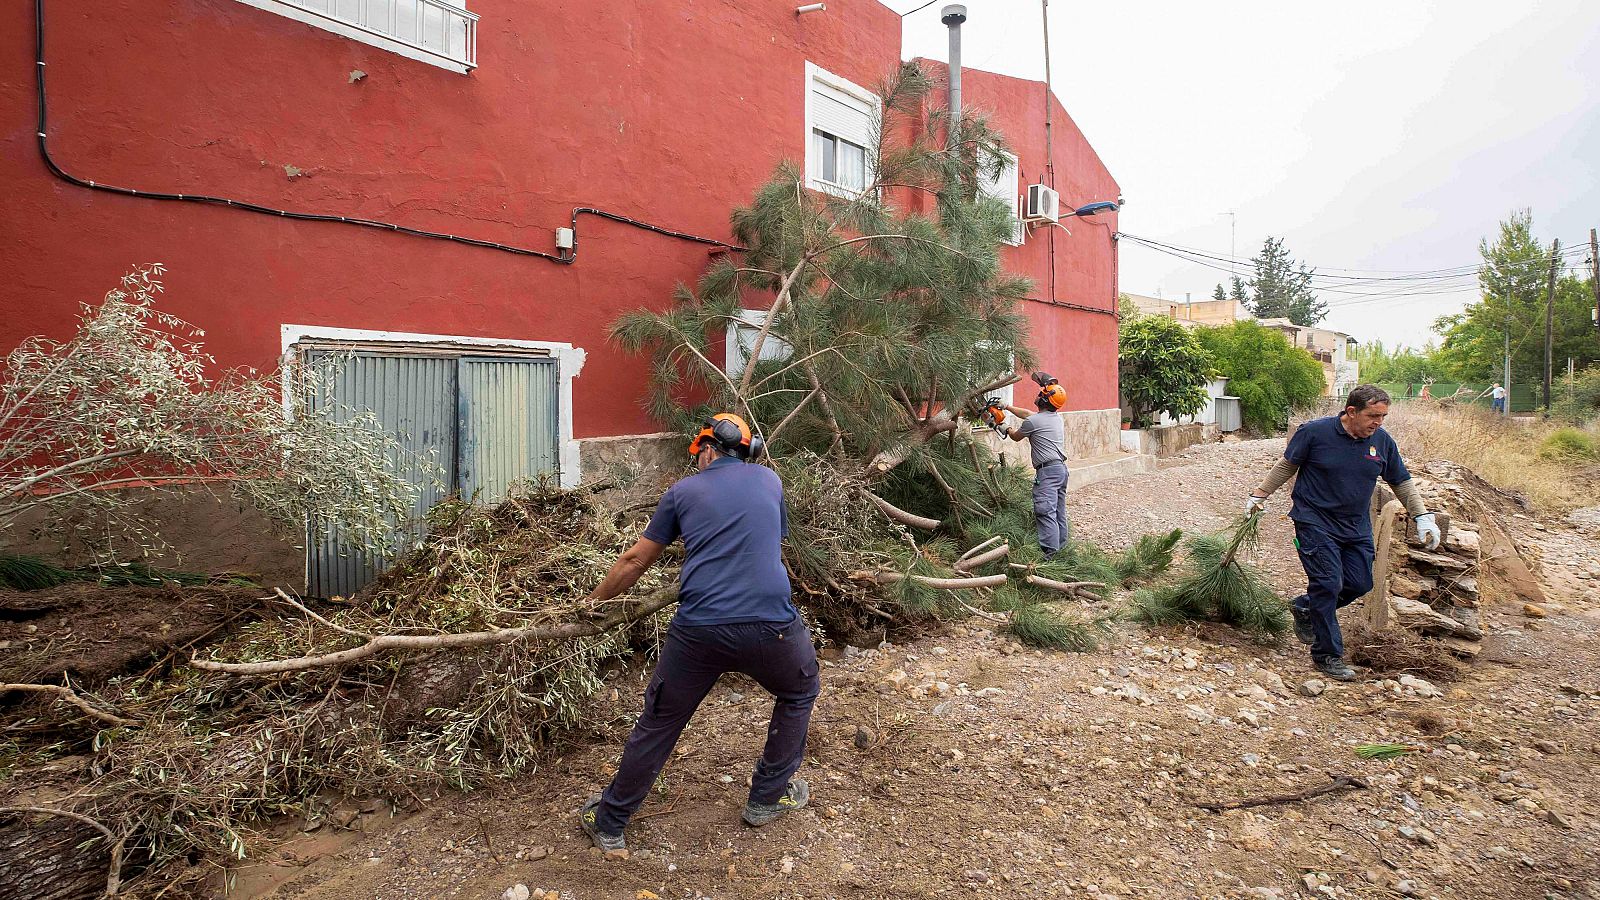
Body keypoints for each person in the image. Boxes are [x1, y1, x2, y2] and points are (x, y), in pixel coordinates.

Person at [578, 413, 818, 853]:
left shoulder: (681, 491)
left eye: (699, 454)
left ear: (707, 448)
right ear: (749, 451)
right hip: (773, 625)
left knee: (661, 721)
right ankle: (767, 798)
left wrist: (592, 606)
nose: (698, 462)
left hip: (699, 631)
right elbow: (764, 545)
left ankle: (610, 821)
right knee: (799, 690)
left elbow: (634, 561)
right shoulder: (769, 482)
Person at [1245, 385, 1441, 681]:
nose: (1378, 422)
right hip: (1314, 521)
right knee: (1328, 583)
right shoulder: (1314, 433)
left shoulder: (1382, 442)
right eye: (1373, 416)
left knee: (1360, 582)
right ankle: (1327, 654)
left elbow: (1400, 481)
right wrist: (1259, 495)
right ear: (1351, 412)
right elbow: (1287, 465)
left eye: (1383, 416)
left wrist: (1422, 515)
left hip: (1355, 525)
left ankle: (1306, 607)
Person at [983, 372, 1071, 557]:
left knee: (1045, 510)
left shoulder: (1034, 421)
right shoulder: (1053, 418)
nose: (1038, 394)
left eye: (1042, 393)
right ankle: (1062, 551)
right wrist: (1006, 406)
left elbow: (1015, 436)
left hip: (1047, 472)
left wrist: (1001, 424)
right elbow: (1028, 415)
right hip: (1061, 470)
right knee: (1058, 511)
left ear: (1044, 400)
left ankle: (1050, 556)